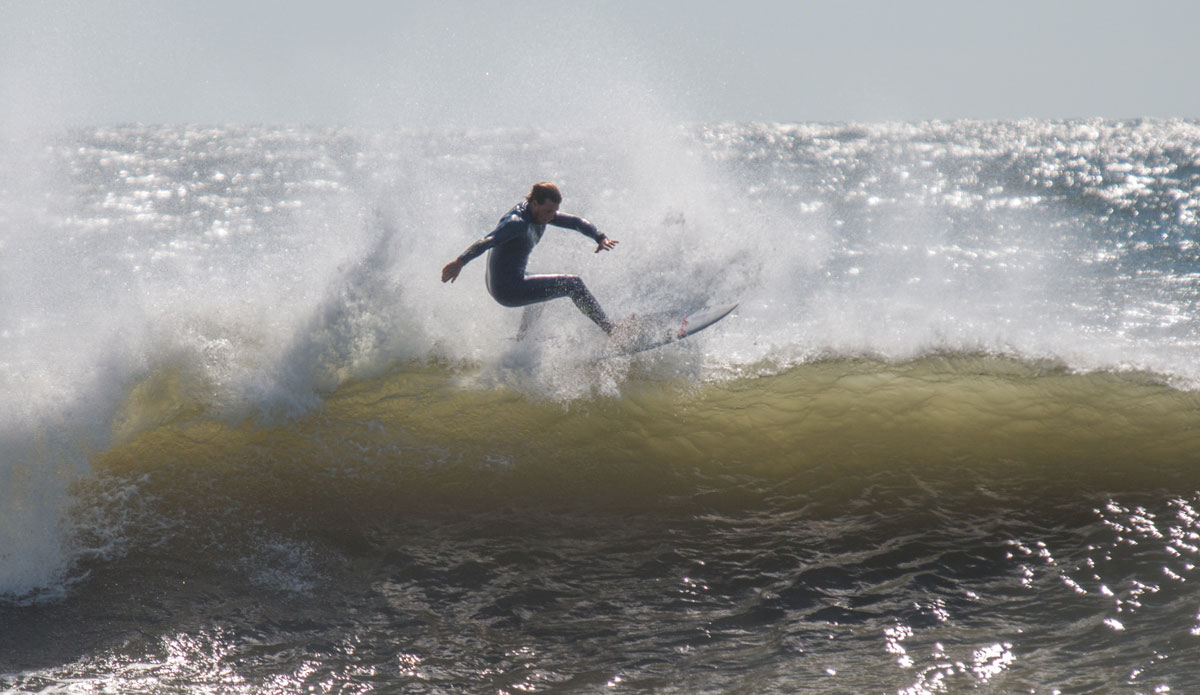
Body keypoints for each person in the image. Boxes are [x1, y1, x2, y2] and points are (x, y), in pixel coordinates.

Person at [441, 182, 620, 335]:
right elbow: (488, 241)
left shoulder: (539, 214)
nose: (551, 216)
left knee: (542, 293)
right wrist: (460, 262)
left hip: (506, 282)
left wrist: (600, 237)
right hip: (507, 289)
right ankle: (611, 331)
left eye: (554, 211)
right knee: (573, 284)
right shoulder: (516, 223)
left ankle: (522, 342)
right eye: (548, 211)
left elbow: (576, 222)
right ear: (534, 204)